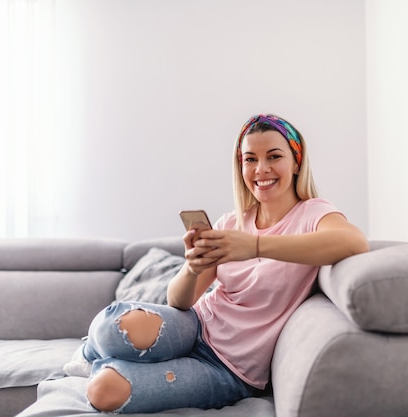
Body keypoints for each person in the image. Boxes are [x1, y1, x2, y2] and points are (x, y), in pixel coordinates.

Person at [66, 114, 369, 413]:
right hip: (195, 324)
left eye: (273, 156)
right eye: (250, 159)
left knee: (103, 391)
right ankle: (90, 354)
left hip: (230, 369)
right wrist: (193, 267)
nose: (261, 169)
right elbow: (178, 300)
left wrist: (254, 246)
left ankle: (115, 365)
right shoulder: (233, 221)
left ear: (296, 162)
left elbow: (353, 242)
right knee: (111, 328)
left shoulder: (313, 213)